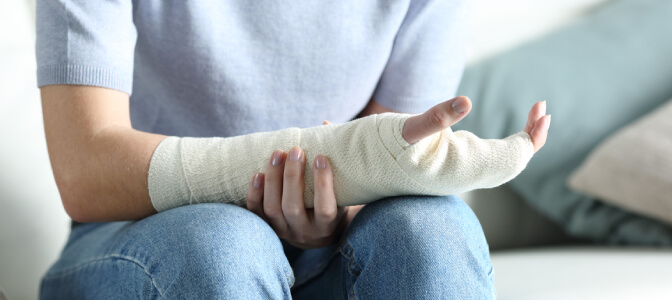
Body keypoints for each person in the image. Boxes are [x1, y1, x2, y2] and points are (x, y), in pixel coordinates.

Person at [36, 1, 549, 299]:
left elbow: (394, 162)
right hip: (137, 240)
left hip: (339, 243)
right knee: (223, 246)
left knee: (433, 234)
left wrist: (333, 211)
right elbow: (86, 170)